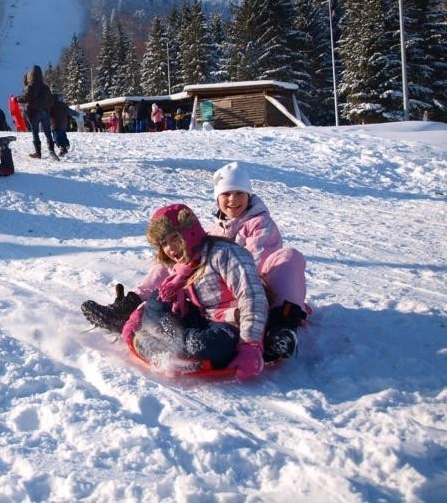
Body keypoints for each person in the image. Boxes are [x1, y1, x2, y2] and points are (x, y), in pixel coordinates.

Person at [81, 203, 297, 379]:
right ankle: (164, 337)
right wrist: (134, 321)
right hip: (200, 318)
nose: (171, 248)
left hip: (231, 325)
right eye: (164, 243)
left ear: (190, 232)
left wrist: (251, 346)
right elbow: (160, 300)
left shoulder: (226, 255)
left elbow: (253, 299)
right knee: (159, 297)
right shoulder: (183, 265)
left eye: (175, 238)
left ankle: (173, 343)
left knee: (211, 345)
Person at [208, 162, 310, 340]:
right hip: (224, 297)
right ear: (217, 199)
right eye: (226, 194)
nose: (233, 199)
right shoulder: (213, 231)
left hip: (263, 289)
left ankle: (282, 325)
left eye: (239, 193)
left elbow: (255, 260)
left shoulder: (260, 223)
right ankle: (145, 297)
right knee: (182, 249)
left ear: (249, 195)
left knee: (290, 257)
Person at [16, 65, 56, 159]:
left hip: (34, 112)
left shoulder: (30, 86)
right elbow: (51, 101)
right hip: (45, 112)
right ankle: (52, 150)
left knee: (35, 132)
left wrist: (17, 98)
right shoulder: (45, 87)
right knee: (48, 132)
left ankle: (38, 153)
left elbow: (26, 98)